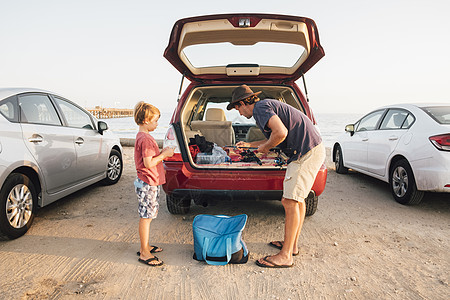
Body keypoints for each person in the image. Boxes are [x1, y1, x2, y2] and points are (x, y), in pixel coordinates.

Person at [227, 84, 325, 268]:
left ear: (243, 103)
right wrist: (251, 145)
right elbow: (274, 136)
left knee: (289, 201)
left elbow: (280, 133)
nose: (238, 113)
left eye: (237, 108)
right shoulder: (265, 106)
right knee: (298, 200)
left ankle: (286, 255)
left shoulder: (261, 108)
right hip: (311, 149)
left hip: (305, 153)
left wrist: (264, 149)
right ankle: (292, 246)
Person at [133, 101, 174, 266]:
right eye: (155, 121)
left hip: (146, 182)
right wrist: (165, 155)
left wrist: (162, 152)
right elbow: (149, 163)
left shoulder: (140, 136)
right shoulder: (147, 139)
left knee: (148, 215)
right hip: (148, 183)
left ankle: (146, 246)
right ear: (146, 121)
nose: (157, 124)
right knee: (146, 217)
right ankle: (144, 252)